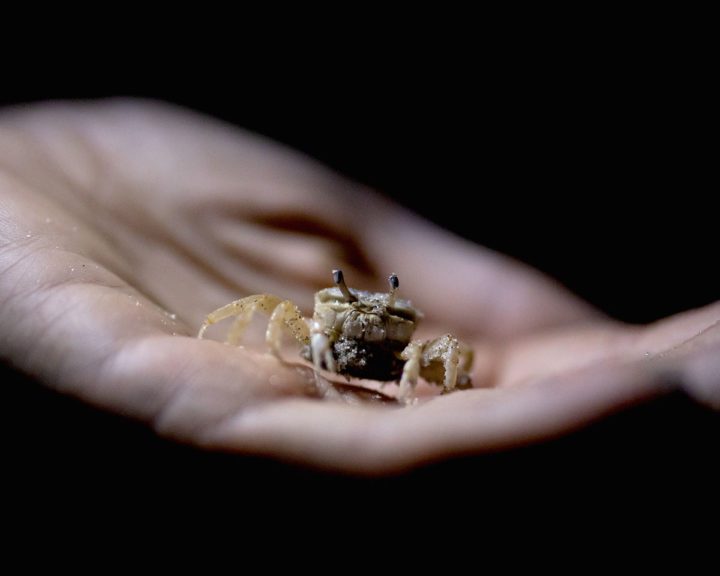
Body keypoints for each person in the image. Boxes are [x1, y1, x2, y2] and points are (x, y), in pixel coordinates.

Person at [0, 99, 717, 473]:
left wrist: (439, 379)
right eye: (348, 299)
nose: (368, 313)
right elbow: (263, 313)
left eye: (385, 307)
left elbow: (451, 359)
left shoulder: (408, 334)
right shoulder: (310, 312)